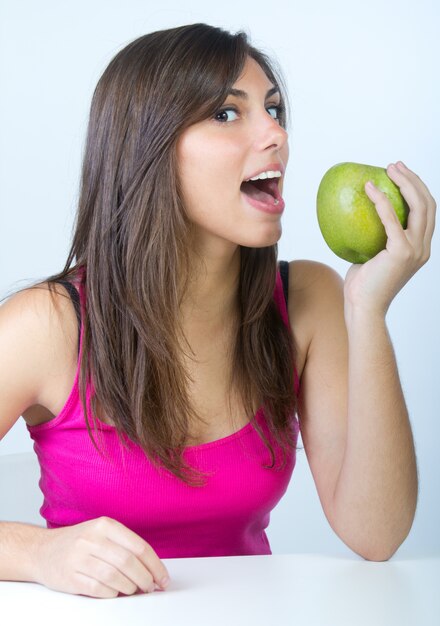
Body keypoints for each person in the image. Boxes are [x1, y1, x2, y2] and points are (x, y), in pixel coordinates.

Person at [0, 23, 436, 599]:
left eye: (274, 109)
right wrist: (40, 553)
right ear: (146, 148)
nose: (276, 134)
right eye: (228, 114)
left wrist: (368, 308)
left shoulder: (308, 301)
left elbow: (376, 533)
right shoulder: (47, 325)